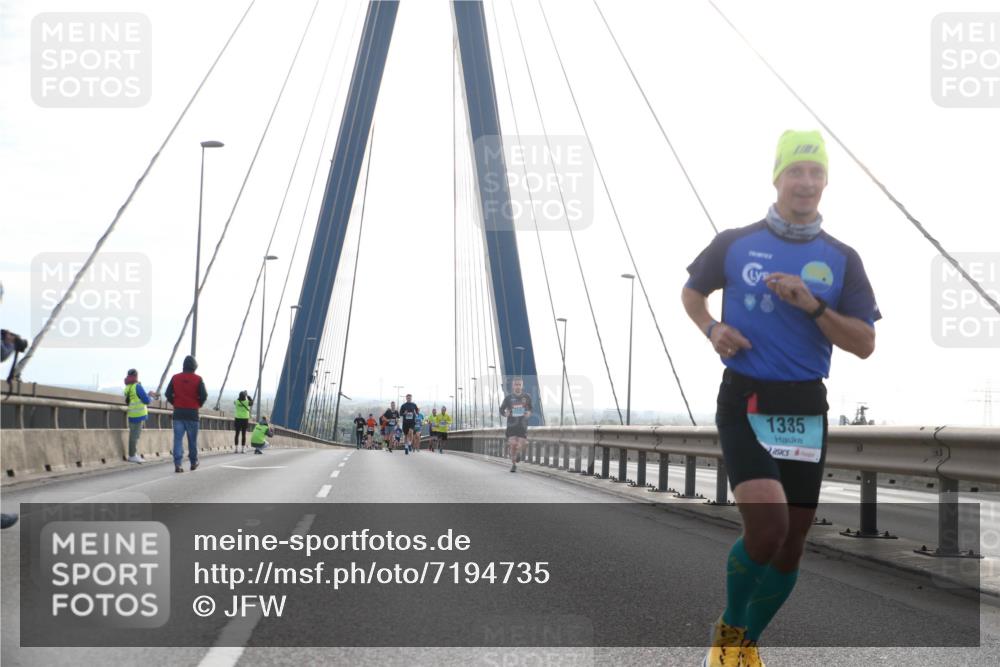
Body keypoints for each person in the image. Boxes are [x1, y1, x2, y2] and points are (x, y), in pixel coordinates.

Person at [681, 130, 879, 667]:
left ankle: (747, 642)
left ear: (826, 182)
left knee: (792, 544)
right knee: (768, 526)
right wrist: (712, 328)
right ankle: (727, 635)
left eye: (816, 173)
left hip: (805, 406)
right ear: (777, 179)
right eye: (796, 171)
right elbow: (692, 292)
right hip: (746, 398)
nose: (806, 182)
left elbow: (864, 343)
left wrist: (811, 304)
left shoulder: (842, 258)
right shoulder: (735, 242)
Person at [164, 355, 208, 473]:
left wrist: (175, 403)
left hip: (178, 413)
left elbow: (167, 393)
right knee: (192, 440)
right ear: (194, 366)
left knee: (178, 440)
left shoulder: (175, 377)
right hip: (192, 413)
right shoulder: (198, 379)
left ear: (184, 365)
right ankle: (193, 462)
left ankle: (178, 464)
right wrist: (198, 404)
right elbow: (204, 395)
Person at [123, 368, 158, 464]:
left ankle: (133, 454)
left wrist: (147, 394)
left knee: (133, 435)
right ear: (136, 376)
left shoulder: (128, 387)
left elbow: (135, 398)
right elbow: (146, 400)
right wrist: (151, 397)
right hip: (138, 415)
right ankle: (132, 455)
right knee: (135, 436)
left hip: (132, 414)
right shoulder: (137, 386)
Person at [499, 377, 533, 472]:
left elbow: (530, 408)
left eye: (519, 384)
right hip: (511, 425)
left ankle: (517, 453)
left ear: (522, 386)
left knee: (522, 444)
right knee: (513, 444)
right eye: (516, 384)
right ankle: (513, 465)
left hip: (522, 425)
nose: (518, 386)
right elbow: (501, 409)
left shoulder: (527, 397)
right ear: (513, 386)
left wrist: (529, 413)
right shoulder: (508, 398)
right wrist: (505, 413)